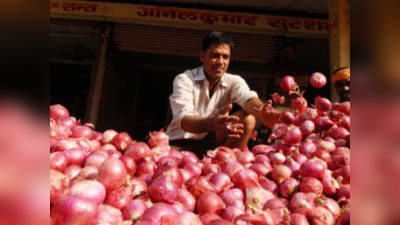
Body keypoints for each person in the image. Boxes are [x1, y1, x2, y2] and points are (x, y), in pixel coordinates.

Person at [165, 31, 281, 158]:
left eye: (225, 57)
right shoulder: (184, 79)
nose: (221, 62)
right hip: (179, 144)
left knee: (248, 118)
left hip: (212, 143)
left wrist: (262, 111)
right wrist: (212, 123)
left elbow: (248, 98)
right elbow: (186, 123)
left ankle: (228, 167)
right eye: (215, 55)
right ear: (202, 56)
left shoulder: (233, 81)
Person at [270, 43, 310, 111]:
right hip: (281, 106)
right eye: (286, 52)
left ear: (295, 53)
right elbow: (277, 81)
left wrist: (286, 82)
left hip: (298, 106)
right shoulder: (278, 67)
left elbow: (306, 79)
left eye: (291, 52)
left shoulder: (301, 68)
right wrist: (297, 82)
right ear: (282, 54)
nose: (288, 54)